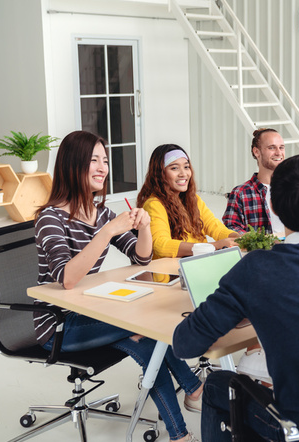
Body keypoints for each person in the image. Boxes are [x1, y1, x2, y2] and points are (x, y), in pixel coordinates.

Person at [173, 155, 299, 441]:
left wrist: (250, 306)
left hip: (298, 425)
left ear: (273, 208)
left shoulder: (257, 268)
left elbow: (185, 344)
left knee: (216, 384)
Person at [34, 131, 202, 442]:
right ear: (73, 166)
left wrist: (145, 227)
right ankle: (189, 404)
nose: (102, 168)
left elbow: (141, 258)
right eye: (93, 161)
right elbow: (68, 278)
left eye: (105, 161)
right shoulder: (50, 218)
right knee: (146, 336)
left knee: (147, 337)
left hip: (92, 310)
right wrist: (107, 231)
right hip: (58, 324)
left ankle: (186, 412)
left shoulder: (100, 213)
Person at [137, 144, 239, 258]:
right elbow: (161, 245)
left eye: (186, 167)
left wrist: (238, 238)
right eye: (174, 168)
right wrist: (214, 246)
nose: (183, 174)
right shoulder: (153, 204)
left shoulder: (193, 199)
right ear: (160, 174)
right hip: (171, 273)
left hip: (198, 264)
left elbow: (216, 228)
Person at [222, 128, 286, 235]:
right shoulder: (240, 193)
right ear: (256, 152)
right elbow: (231, 228)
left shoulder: (295, 187)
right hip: (261, 251)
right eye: (272, 148)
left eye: (281, 147)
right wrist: (259, 241)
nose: (279, 153)